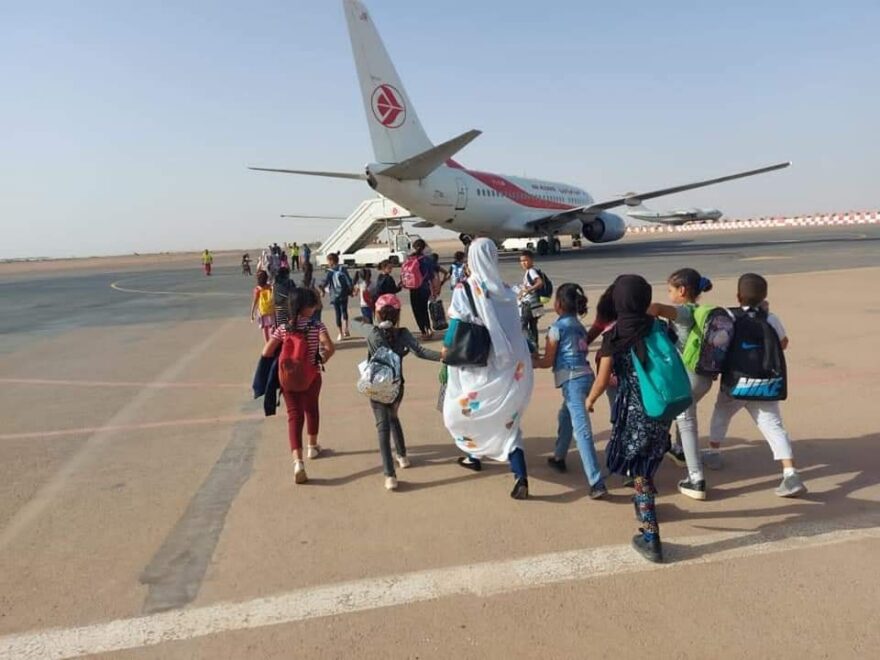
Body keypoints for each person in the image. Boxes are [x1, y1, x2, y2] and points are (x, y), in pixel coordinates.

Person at [586, 275, 672, 563]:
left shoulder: (615, 336)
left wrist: (590, 400)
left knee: (641, 476)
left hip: (634, 415)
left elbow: (600, 381)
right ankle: (642, 503)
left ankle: (651, 537)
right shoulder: (658, 326)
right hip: (660, 410)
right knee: (647, 464)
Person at [442, 238, 534, 500]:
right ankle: (519, 475)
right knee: (507, 424)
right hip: (512, 369)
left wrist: (446, 352)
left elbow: (456, 325)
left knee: (460, 412)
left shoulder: (467, 288)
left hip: (478, 364)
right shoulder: (506, 290)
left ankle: (473, 454)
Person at [706, 273, 806, 497]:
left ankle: (713, 452)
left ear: (738, 296)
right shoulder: (771, 318)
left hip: (737, 382)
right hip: (766, 382)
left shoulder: (730, 316)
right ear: (764, 297)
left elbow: (719, 343)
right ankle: (790, 473)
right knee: (774, 426)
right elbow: (783, 343)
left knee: (721, 412)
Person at [533, 283, 607, 499]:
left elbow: (547, 361)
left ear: (559, 304)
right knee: (565, 416)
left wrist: (531, 361)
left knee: (581, 430)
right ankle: (558, 456)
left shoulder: (556, 328)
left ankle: (596, 482)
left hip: (572, 380)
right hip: (586, 376)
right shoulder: (578, 326)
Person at [647, 268, 715, 500]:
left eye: (670, 290)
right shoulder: (700, 312)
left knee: (686, 422)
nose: (669, 294)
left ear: (682, 291)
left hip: (689, 378)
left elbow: (656, 308)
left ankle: (696, 479)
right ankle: (679, 451)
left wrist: (642, 311)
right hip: (704, 375)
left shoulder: (684, 312)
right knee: (682, 415)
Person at [366, 295, 442, 491]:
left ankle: (390, 474)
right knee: (394, 417)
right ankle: (402, 456)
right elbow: (421, 351)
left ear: (377, 312)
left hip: (377, 385)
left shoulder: (373, 334)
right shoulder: (403, 333)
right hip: (397, 386)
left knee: (382, 428)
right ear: (398, 314)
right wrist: (442, 356)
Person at [261, 287, 335, 484]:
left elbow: (266, 351)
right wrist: (321, 360)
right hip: (311, 375)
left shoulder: (283, 329)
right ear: (306, 307)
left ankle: (298, 462)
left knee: (294, 416)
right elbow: (329, 347)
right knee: (312, 409)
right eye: (311, 304)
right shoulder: (316, 326)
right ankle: (312, 446)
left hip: (289, 379)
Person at [402, 239, 435, 339]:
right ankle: (429, 328)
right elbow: (431, 276)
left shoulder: (409, 259)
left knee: (417, 310)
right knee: (424, 309)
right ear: (424, 247)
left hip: (413, 288)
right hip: (424, 287)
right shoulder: (427, 259)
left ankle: (423, 332)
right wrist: (434, 289)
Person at [321, 253, 353, 341]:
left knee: (337, 314)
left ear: (331, 261)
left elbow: (325, 283)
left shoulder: (329, 272)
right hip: (344, 294)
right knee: (344, 311)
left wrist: (321, 289)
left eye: (328, 261)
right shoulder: (343, 269)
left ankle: (340, 333)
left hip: (334, 296)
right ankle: (346, 329)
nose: (327, 263)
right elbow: (349, 281)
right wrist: (351, 290)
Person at [517, 250, 544, 349]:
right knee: (533, 326)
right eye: (521, 261)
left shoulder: (531, 271)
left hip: (529, 304)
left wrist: (529, 289)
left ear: (531, 260)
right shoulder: (529, 272)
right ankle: (535, 346)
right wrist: (521, 294)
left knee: (522, 325)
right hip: (535, 305)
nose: (523, 263)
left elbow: (539, 282)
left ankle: (532, 345)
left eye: (525, 260)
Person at [250, 270, 275, 342]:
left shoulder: (257, 289)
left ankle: (267, 343)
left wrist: (252, 313)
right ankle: (272, 343)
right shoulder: (270, 287)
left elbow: (254, 302)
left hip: (262, 312)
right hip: (271, 311)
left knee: (264, 328)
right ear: (266, 278)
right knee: (271, 327)